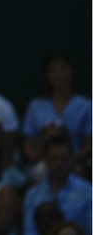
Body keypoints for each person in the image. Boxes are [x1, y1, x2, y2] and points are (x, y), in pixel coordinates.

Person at [22, 50, 92, 181]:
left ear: (71, 71)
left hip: (75, 163)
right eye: (53, 71)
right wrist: (48, 160)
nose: (59, 75)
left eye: (62, 70)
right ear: (47, 75)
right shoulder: (36, 106)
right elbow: (28, 144)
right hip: (42, 165)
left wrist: (70, 159)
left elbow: (90, 143)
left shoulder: (86, 106)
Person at [22, 135, 92, 235]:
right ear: (45, 160)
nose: (59, 164)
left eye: (63, 158)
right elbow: (29, 231)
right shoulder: (32, 195)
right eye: (53, 159)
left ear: (71, 159)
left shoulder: (87, 191)